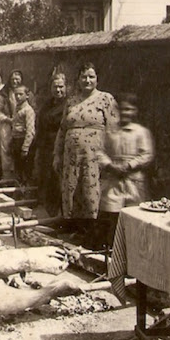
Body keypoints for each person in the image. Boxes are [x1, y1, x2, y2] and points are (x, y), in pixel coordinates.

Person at [53, 62, 119, 243]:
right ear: (78, 79)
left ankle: (93, 235)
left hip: (94, 156)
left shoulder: (106, 99)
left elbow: (114, 131)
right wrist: (57, 155)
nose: (87, 80)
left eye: (91, 76)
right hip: (71, 156)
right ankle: (76, 231)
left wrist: (110, 157)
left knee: (92, 191)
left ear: (97, 79)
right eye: (84, 77)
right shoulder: (72, 100)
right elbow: (62, 129)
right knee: (71, 190)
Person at [98, 92, 154, 247]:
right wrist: (110, 165)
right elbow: (99, 151)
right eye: (122, 109)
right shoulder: (110, 131)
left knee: (134, 217)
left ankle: (133, 254)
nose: (125, 113)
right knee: (112, 217)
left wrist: (130, 165)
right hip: (114, 180)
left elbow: (147, 154)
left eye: (129, 109)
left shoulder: (141, 132)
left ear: (135, 111)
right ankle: (111, 255)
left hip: (133, 181)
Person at [35, 73, 68, 217]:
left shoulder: (69, 104)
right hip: (45, 149)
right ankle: (52, 216)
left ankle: (62, 217)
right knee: (48, 182)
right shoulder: (47, 105)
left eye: (61, 86)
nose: (58, 90)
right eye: (55, 87)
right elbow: (40, 127)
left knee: (59, 183)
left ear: (66, 87)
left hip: (61, 149)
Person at [0, 69, 25, 179]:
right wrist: (7, 119)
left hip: (22, 126)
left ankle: (20, 178)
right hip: (7, 125)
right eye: (12, 79)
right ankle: (7, 177)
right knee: (6, 150)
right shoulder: (5, 93)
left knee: (20, 150)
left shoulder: (26, 92)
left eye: (17, 79)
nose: (15, 81)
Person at [11, 85, 36, 184]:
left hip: (23, 142)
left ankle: (27, 192)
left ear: (27, 95)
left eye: (20, 94)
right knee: (18, 170)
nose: (18, 97)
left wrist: (25, 148)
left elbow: (30, 131)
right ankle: (19, 191)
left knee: (26, 170)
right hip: (16, 141)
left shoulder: (28, 110)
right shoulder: (17, 108)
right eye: (16, 94)